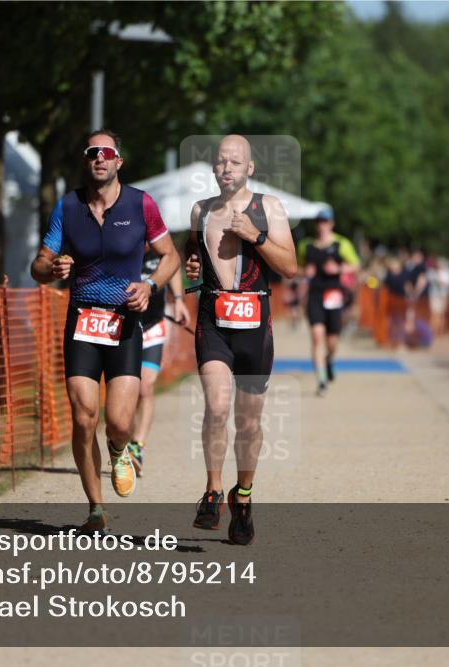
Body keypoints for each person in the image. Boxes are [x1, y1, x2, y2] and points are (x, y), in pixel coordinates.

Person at [31, 129, 180, 533]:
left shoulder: (141, 204)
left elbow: (171, 256)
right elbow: (38, 267)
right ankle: (95, 509)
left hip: (124, 322)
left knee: (116, 420)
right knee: (83, 417)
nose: (100, 157)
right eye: (93, 152)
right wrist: (55, 268)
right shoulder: (68, 206)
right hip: (82, 319)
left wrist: (150, 286)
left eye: (108, 151)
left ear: (119, 161)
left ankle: (119, 448)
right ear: (86, 162)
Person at [184, 135, 297, 545]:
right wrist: (192, 264)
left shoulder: (268, 208)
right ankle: (213, 490)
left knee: (248, 423)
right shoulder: (201, 210)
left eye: (235, 161)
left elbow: (290, 267)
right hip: (213, 322)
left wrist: (256, 236)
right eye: (221, 161)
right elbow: (191, 258)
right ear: (214, 169)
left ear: (249, 169)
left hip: (255, 326)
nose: (227, 167)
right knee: (216, 407)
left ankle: (242, 496)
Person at [125, 247, 191, 476]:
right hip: (125, 328)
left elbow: (173, 266)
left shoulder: (159, 245)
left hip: (153, 326)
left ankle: (137, 446)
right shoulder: (123, 240)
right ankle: (124, 438)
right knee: (128, 390)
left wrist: (179, 300)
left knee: (145, 387)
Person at [296, 209, 360, 396]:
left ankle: (329, 360)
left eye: (325, 221)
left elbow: (356, 265)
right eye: (318, 222)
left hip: (334, 295)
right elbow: (296, 268)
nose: (321, 225)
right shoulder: (306, 245)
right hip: (314, 295)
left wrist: (339, 268)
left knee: (332, 341)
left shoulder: (342, 244)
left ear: (332, 223)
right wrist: (304, 272)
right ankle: (322, 381)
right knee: (317, 337)